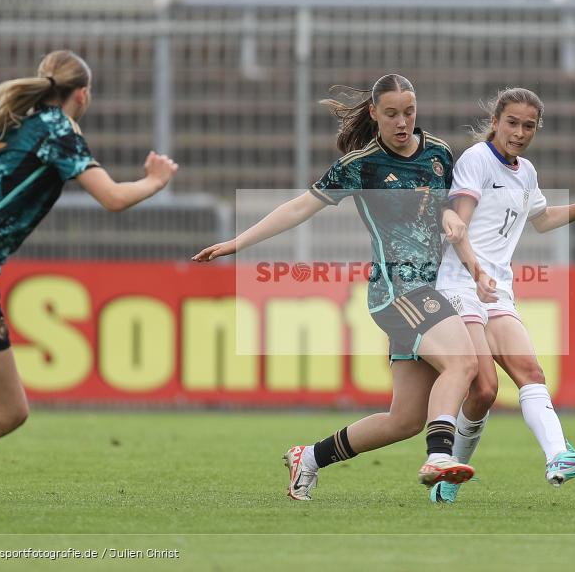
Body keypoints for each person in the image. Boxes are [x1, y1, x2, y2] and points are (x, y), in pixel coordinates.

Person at [193, 74, 484, 501]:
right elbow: (299, 207)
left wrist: (457, 232)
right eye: (391, 114)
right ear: (373, 113)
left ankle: (308, 458)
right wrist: (238, 242)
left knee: (403, 419)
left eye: (409, 112)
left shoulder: (439, 153)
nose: (402, 122)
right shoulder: (360, 165)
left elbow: (445, 208)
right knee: (463, 362)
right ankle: (440, 455)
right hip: (395, 290)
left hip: (429, 290)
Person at [0, 50, 178, 463]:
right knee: (8, 411)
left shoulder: (23, 124)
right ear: (83, 95)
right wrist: (155, 181)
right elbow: (112, 197)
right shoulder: (58, 130)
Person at [429, 87, 575, 503]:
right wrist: (477, 272)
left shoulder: (526, 171)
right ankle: (448, 476)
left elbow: (542, 219)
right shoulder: (477, 161)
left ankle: (558, 456)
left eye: (529, 125)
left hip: (496, 290)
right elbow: (458, 228)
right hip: (460, 286)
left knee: (531, 373)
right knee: (484, 389)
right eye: (512, 122)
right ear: (495, 122)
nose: (520, 132)